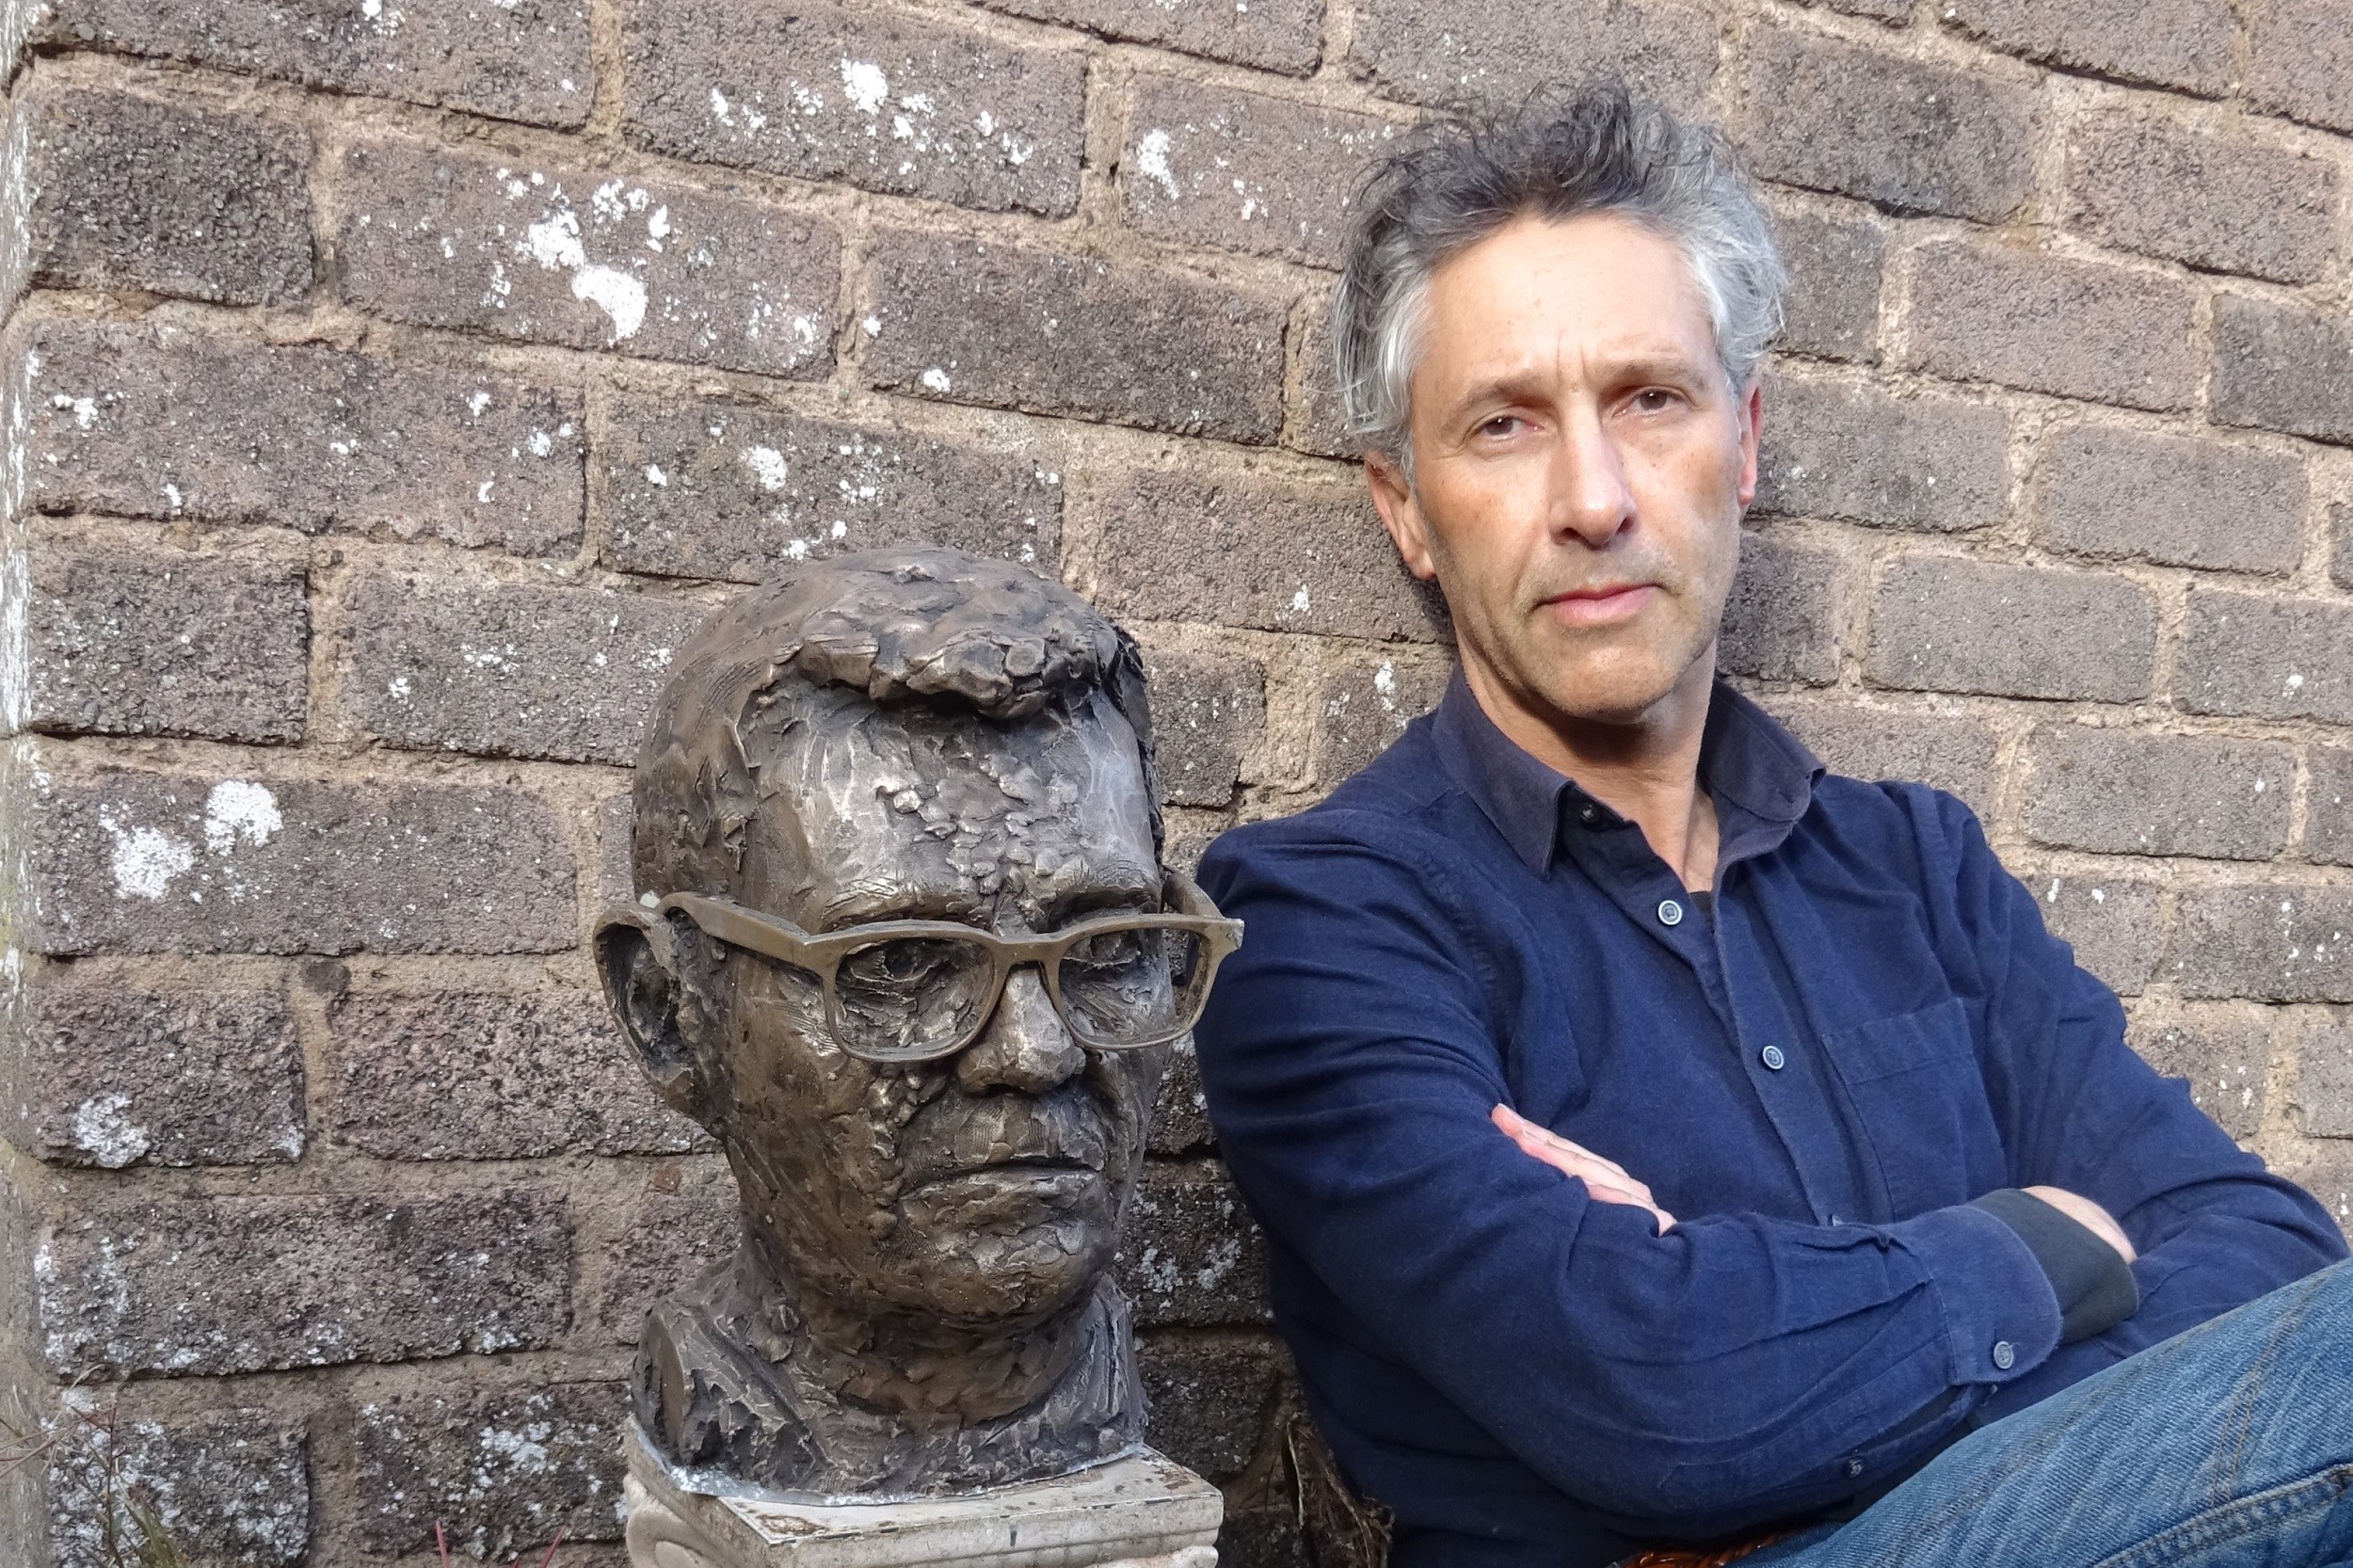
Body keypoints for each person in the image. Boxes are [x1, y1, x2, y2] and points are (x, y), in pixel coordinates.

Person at [1189, 87, 2353, 1568]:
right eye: (1503, 425)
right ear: (1408, 511)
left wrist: (1781, 1375)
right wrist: (2051, 1241)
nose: (1593, 498)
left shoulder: (1919, 870)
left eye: (1648, 400)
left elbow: (2263, 1251)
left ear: (1742, 439)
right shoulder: (1325, 928)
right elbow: (1659, 1400)